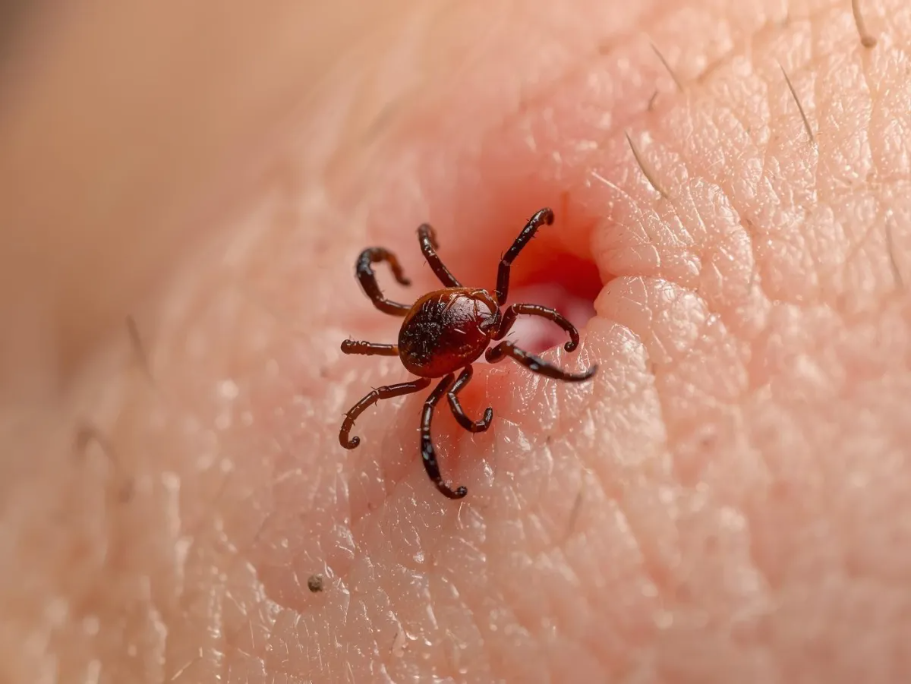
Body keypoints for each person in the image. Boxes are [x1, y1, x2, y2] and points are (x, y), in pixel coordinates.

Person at [0, 1, 907, 681]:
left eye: (482, 316)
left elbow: (461, 296)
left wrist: (523, 267)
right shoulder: (463, 347)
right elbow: (428, 396)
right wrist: (509, 356)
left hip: (422, 335)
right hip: (420, 340)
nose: (487, 326)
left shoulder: (466, 325)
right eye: (483, 320)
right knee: (405, 383)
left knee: (405, 366)